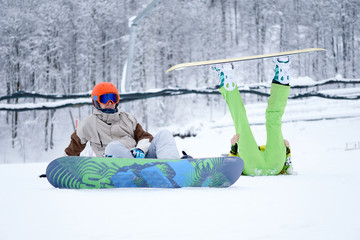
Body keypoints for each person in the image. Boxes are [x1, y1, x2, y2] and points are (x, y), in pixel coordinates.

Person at [212, 57, 295, 175]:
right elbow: (232, 167)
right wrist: (233, 148)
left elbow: (288, 169)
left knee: (274, 119)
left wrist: (287, 151)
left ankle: (282, 74)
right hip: (253, 167)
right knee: (241, 122)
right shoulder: (245, 155)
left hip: (275, 166)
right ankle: (226, 77)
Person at [65, 82, 180, 159]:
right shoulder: (88, 124)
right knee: (112, 147)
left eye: (113, 98)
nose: (110, 103)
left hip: (141, 161)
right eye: (105, 99)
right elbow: (72, 150)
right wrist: (62, 167)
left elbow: (146, 138)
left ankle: (171, 167)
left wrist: (140, 149)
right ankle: (134, 171)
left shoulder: (128, 119)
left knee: (164, 134)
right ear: (96, 101)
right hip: (113, 167)